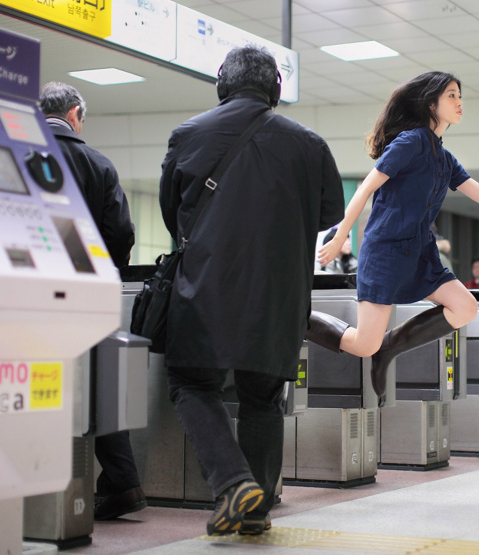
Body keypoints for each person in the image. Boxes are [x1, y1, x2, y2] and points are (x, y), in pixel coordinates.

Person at [159, 46, 345, 534]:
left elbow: (171, 211)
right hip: (280, 292)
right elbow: (329, 216)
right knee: (263, 395)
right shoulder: (310, 143)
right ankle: (256, 512)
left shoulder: (189, 134)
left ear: (223, 83)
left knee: (191, 382)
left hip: (207, 286)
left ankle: (234, 481)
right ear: (276, 89)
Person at [312, 71, 479, 407]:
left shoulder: (444, 158)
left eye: (460, 96)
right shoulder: (410, 142)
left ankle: (391, 347)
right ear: (430, 103)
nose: (459, 103)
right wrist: (340, 235)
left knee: (465, 307)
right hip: (387, 251)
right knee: (363, 344)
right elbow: (366, 188)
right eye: (451, 96)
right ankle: (301, 320)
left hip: (419, 251)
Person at [40, 82, 144, 520]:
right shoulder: (98, 164)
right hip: (89, 293)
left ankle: (42, 485)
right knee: (97, 383)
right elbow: (122, 235)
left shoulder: (21, 153)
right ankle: (123, 482)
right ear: (76, 114)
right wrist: (103, 271)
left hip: (32, 291)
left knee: (42, 383)